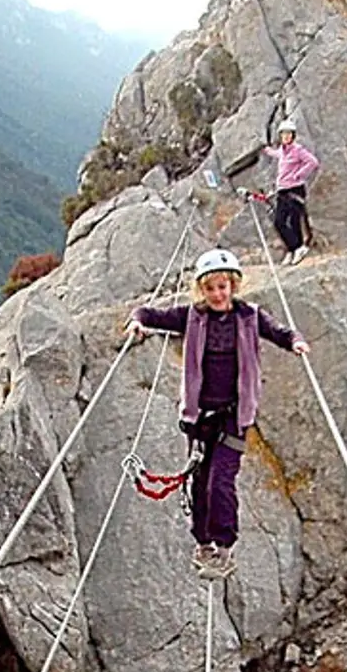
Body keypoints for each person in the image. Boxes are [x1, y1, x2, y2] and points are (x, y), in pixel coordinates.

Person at [130, 248, 309, 578]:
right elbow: (149, 313)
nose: (216, 294)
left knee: (220, 483)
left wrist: (296, 342)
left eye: (222, 286)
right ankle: (202, 543)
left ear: (233, 285)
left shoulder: (250, 316)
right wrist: (138, 323)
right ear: (202, 289)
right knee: (198, 483)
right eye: (210, 288)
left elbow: (281, 332)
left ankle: (224, 548)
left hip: (233, 417)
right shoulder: (192, 317)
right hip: (199, 418)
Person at [264, 122, 319, 263]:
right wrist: (266, 150)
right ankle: (294, 248)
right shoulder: (283, 151)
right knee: (280, 221)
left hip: (295, 189)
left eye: (289, 134)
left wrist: (299, 175)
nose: (286, 136)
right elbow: (276, 154)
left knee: (292, 221)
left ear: (293, 136)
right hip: (282, 189)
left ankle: (296, 248)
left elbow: (313, 162)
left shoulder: (298, 150)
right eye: (283, 134)